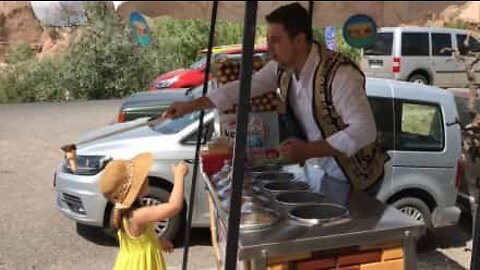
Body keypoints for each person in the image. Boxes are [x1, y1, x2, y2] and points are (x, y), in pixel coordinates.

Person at [162, 3, 384, 197]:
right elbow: (242, 89)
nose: (269, 49)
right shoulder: (281, 68)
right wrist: (191, 105)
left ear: (299, 40)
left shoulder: (340, 74)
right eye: (268, 40)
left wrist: (309, 150)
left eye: (276, 40)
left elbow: (364, 130)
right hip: (326, 171)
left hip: (360, 178)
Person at [99, 152, 188, 270]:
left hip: (128, 264)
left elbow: (141, 240)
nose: (147, 177)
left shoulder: (124, 212)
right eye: (143, 177)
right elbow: (174, 206)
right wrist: (179, 176)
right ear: (137, 188)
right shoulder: (138, 215)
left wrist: (158, 241)